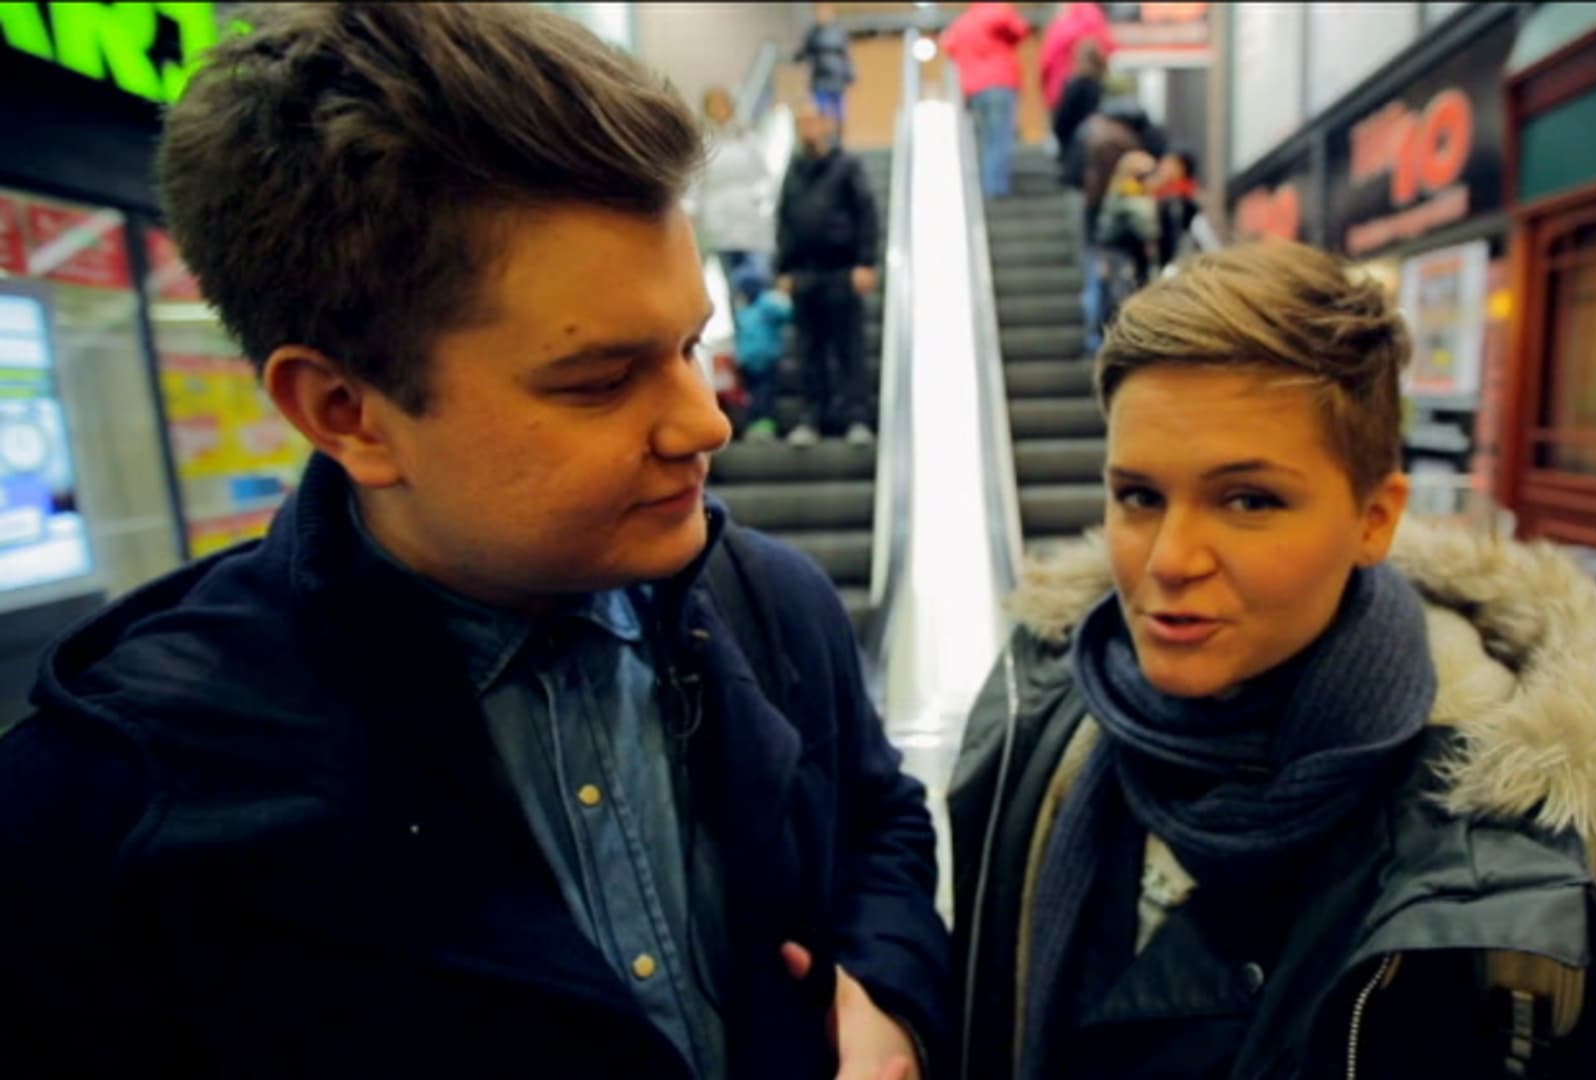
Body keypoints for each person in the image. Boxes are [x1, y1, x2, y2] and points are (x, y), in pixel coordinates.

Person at [0, 6, 948, 1078]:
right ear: (346, 412)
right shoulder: (108, 807)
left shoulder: (774, 603)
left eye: (689, 345)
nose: (706, 424)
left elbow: (879, 825)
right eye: (601, 380)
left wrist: (891, 1002)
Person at [948, 242, 1596, 1079]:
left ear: (1375, 519)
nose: (1169, 559)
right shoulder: (1042, 712)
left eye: (1249, 500)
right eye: (1139, 496)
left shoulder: (1546, 841)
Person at [775, 101, 879, 447]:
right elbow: (784, 220)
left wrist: (865, 262)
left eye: (813, 121)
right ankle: (812, 417)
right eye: (802, 122)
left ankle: (857, 417)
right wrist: (784, 267)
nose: (808, 127)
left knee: (849, 348)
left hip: (842, 270)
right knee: (809, 350)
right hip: (805, 274)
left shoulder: (847, 166)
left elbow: (866, 213)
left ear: (827, 124)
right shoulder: (794, 170)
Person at [941, 2, 1032, 200]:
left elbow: (948, 45)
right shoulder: (999, 12)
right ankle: (996, 189)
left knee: (987, 138)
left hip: (974, 89)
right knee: (1000, 138)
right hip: (1000, 83)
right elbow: (1021, 30)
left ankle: (988, 186)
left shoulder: (963, 22)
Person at [693, 86, 776, 286]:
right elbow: (694, 188)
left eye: (724, 104)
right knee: (730, 285)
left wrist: (758, 200)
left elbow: (765, 178)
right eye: (714, 105)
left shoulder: (749, 141)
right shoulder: (702, 146)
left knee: (758, 282)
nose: (720, 110)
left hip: (751, 227)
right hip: (718, 229)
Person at [1092, 149, 1160, 321]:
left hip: (1124, 255)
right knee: (1121, 300)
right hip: (1121, 256)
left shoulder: (1122, 190)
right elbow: (1147, 227)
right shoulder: (1129, 192)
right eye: (1147, 175)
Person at [731, 261, 793, 443]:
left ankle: (766, 426)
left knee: (766, 393)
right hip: (748, 362)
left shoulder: (767, 304)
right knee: (751, 396)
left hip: (767, 359)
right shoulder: (743, 308)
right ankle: (753, 425)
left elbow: (786, 314)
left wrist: (782, 296)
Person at [1040, 1, 1114, 112]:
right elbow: (1107, 47)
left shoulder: (1060, 25)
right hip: (1088, 88)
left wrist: (1045, 87)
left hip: (1058, 90)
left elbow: (1046, 62)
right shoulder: (1094, 18)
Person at [1051, 37, 1107, 178]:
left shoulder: (1076, 86)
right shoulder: (1098, 85)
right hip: (1091, 144)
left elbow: (1063, 118)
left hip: (1074, 144)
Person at [795, 2, 855, 131]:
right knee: (822, 112)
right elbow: (805, 51)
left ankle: (838, 135)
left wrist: (850, 74)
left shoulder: (839, 32)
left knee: (839, 113)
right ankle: (825, 134)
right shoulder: (812, 33)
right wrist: (798, 57)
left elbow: (846, 56)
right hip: (820, 79)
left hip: (836, 78)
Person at [1149, 148, 1200, 269]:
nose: (1161, 167)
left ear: (1180, 169)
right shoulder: (1163, 195)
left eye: (1168, 164)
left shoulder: (1178, 199)